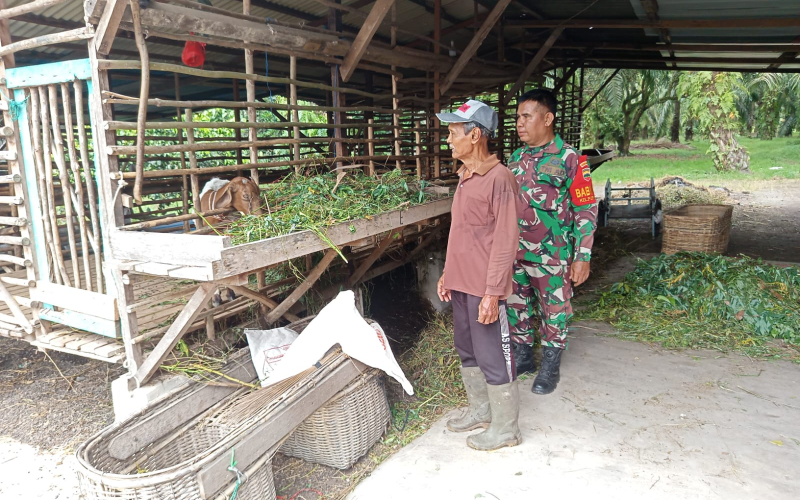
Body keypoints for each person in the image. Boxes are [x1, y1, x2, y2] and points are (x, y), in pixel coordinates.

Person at [435, 100, 521, 451]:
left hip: (484, 287)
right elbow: (463, 234)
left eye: (454, 133)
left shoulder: (499, 178)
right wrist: (446, 274)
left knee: (492, 355)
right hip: (461, 282)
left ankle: (506, 430)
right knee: (467, 349)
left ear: (475, 135)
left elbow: (505, 240)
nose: (449, 140)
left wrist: (493, 292)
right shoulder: (467, 176)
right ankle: (481, 410)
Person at [507, 89, 598, 395]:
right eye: (518, 117)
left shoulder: (571, 159)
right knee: (516, 306)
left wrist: (582, 256)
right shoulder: (516, 158)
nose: (520, 123)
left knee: (554, 312)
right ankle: (523, 358)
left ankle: (550, 366)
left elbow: (586, 208)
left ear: (547, 119)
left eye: (526, 116)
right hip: (516, 254)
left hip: (553, 255)